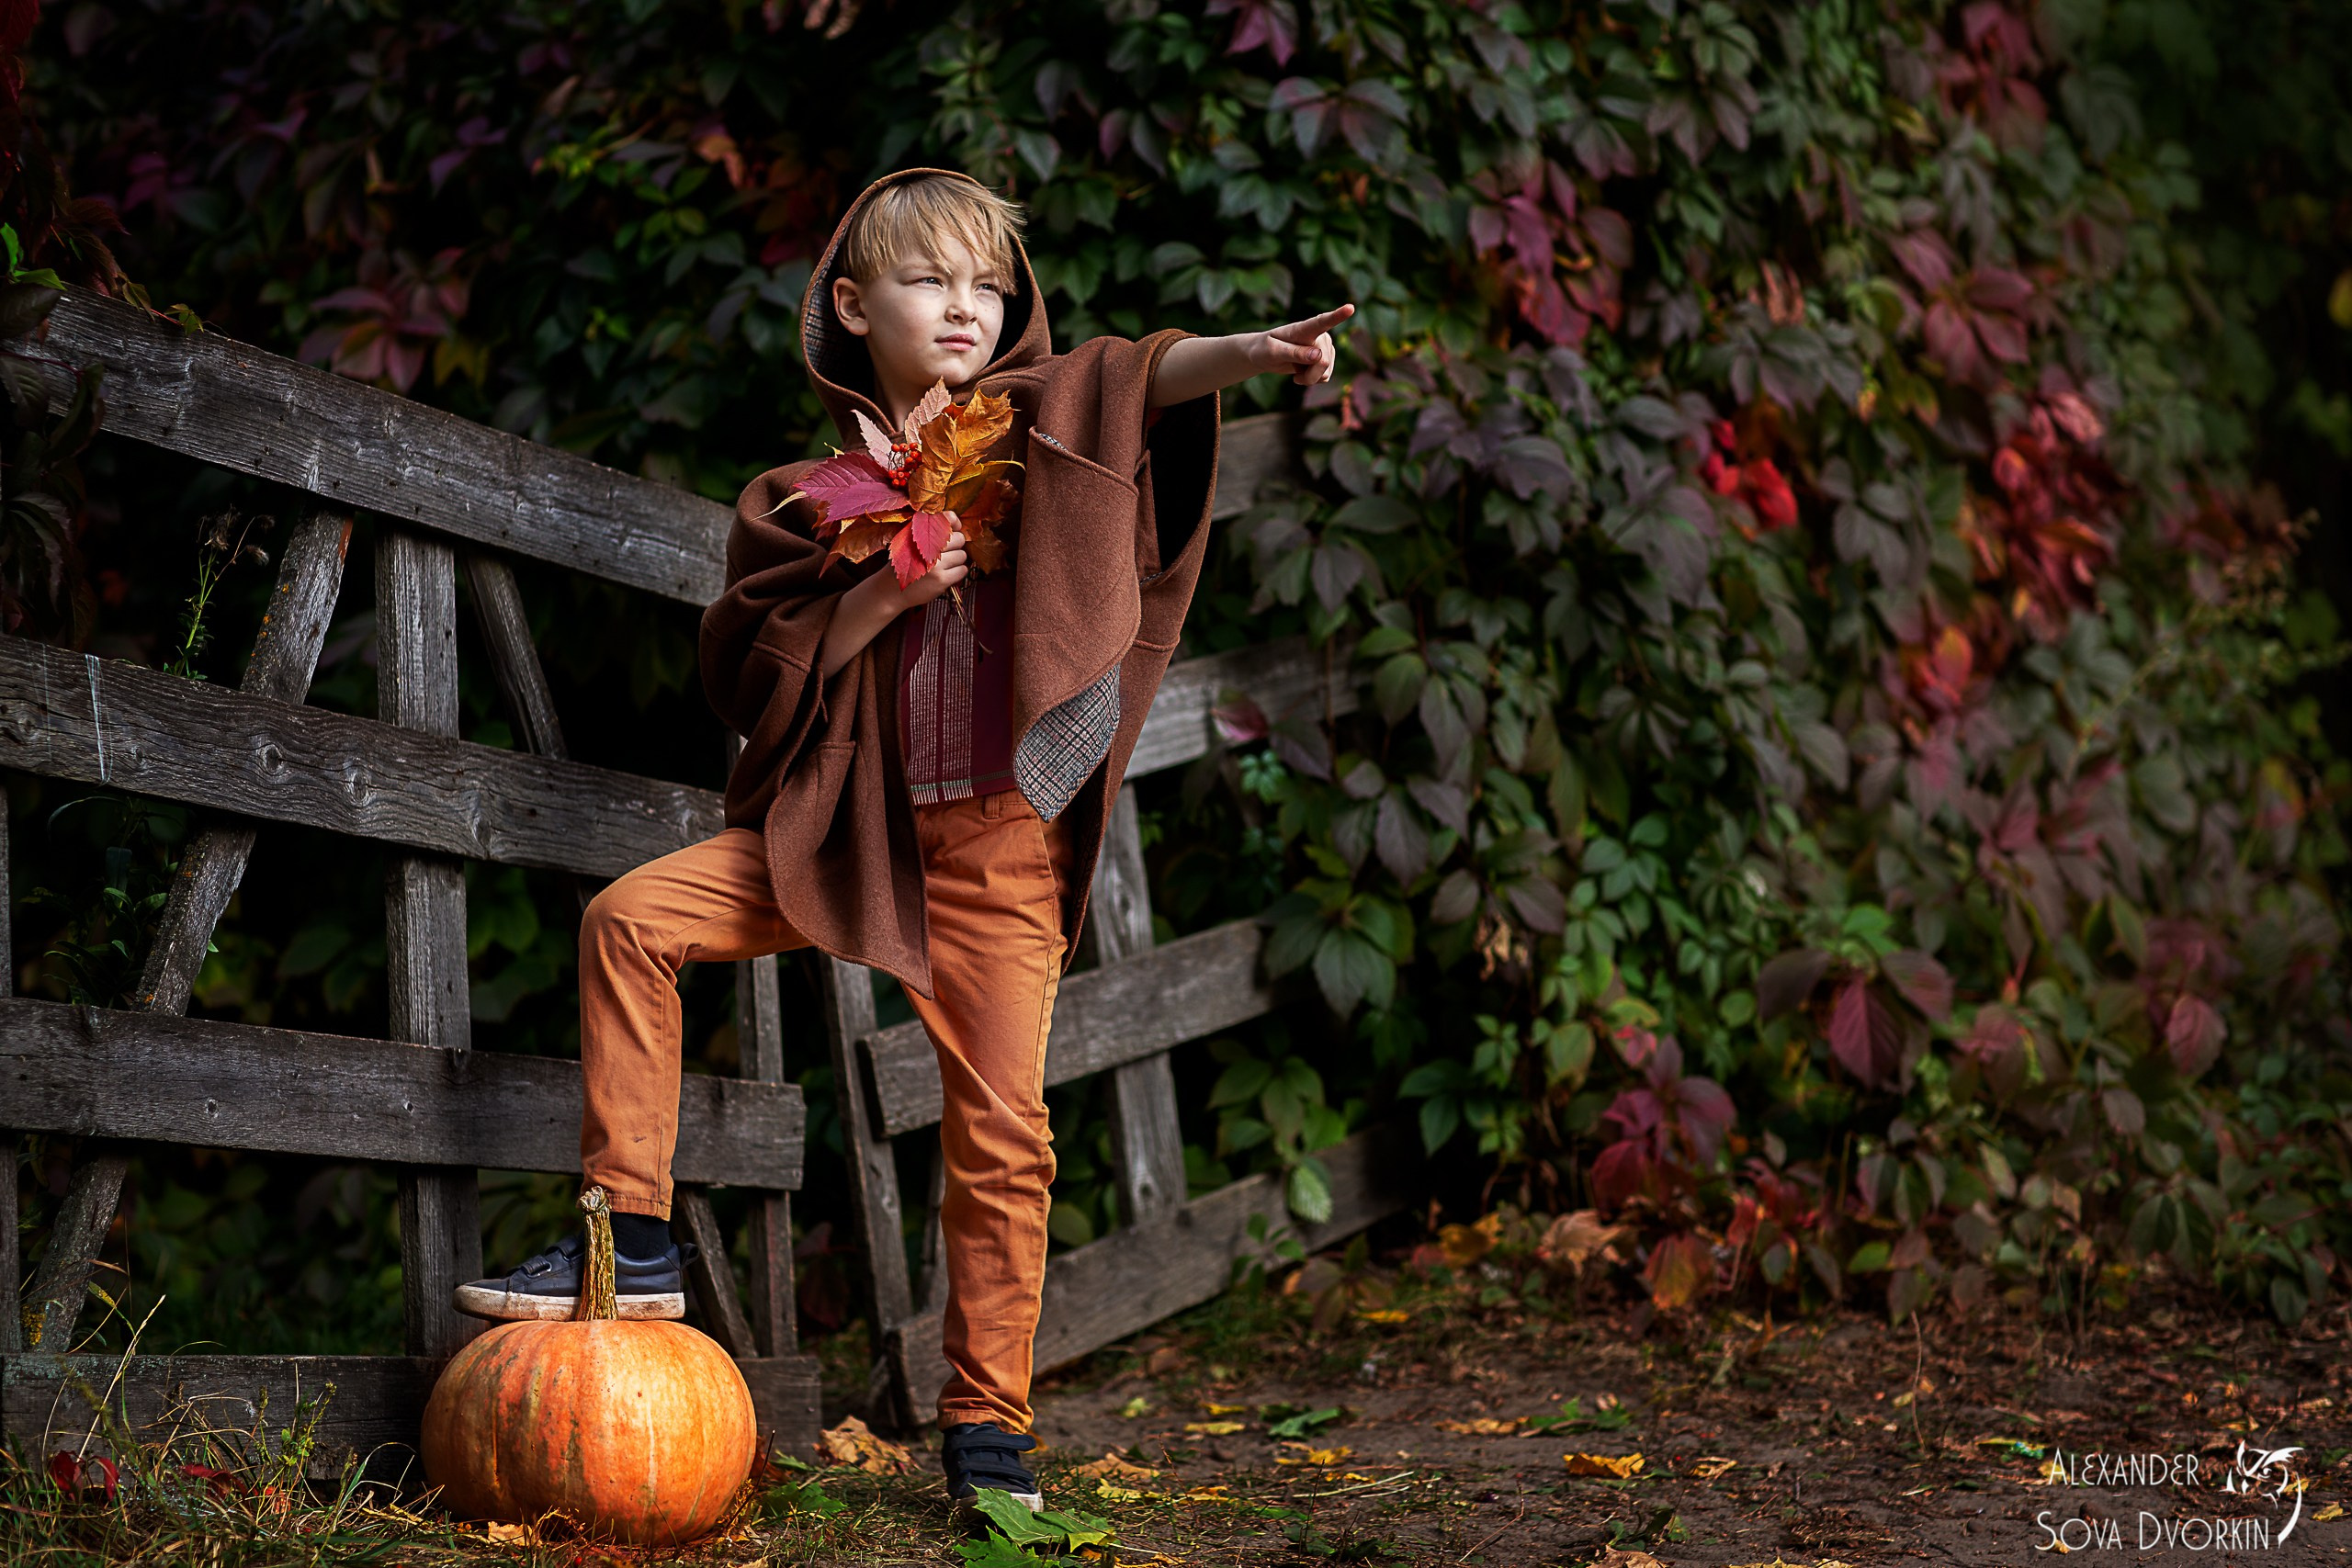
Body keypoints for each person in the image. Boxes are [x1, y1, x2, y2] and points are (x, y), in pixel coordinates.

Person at [453, 166, 1351, 1515]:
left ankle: (988, 1428)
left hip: (996, 849)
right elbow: (757, 675)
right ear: (851, 304)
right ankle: (632, 1235)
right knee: (629, 920)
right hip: (844, 832)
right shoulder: (806, 498)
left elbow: (1134, 375)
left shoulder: (1034, 429)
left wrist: (1246, 352)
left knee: (1004, 1137)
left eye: (990, 286)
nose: (965, 308)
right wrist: (879, 597)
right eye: (932, 281)